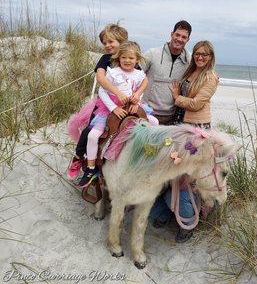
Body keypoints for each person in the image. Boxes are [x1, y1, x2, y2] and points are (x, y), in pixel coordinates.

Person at [150, 40, 219, 242]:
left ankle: (187, 221)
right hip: (179, 125)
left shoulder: (211, 77)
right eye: (197, 53)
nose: (200, 57)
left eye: (205, 55)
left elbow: (197, 104)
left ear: (211, 57)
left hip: (196, 131)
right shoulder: (190, 72)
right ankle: (164, 212)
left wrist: (177, 97)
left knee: (185, 178)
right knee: (169, 172)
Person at [76, 41, 158, 188]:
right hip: (111, 110)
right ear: (118, 58)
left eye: (131, 58)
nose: (127, 61)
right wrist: (114, 108)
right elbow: (102, 91)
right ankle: (91, 168)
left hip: (131, 109)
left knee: (154, 122)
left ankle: (146, 156)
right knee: (92, 135)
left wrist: (136, 101)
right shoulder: (113, 73)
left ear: (137, 60)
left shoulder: (139, 74)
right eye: (124, 57)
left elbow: (141, 87)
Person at [67, 23, 129, 180]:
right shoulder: (105, 59)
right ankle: (78, 156)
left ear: (122, 41)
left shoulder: (128, 58)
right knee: (90, 130)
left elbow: (139, 78)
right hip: (105, 102)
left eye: (111, 41)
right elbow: (100, 78)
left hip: (125, 104)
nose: (107, 46)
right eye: (105, 43)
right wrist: (117, 92)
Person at [142, 20, 192, 125]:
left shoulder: (189, 60)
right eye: (177, 35)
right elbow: (134, 73)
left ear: (188, 40)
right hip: (146, 114)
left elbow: (203, 68)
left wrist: (212, 74)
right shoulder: (152, 54)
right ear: (171, 34)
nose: (179, 39)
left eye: (184, 37)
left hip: (171, 117)